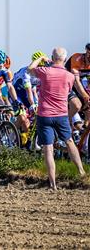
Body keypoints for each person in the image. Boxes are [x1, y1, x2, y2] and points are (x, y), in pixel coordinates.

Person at [29, 48, 86, 190]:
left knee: (48, 149)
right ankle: (81, 172)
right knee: (69, 141)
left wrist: (41, 58)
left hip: (44, 115)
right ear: (65, 60)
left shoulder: (45, 72)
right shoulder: (70, 76)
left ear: (52, 58)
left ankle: (53, 184)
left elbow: (30, 69)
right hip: (61, 115)